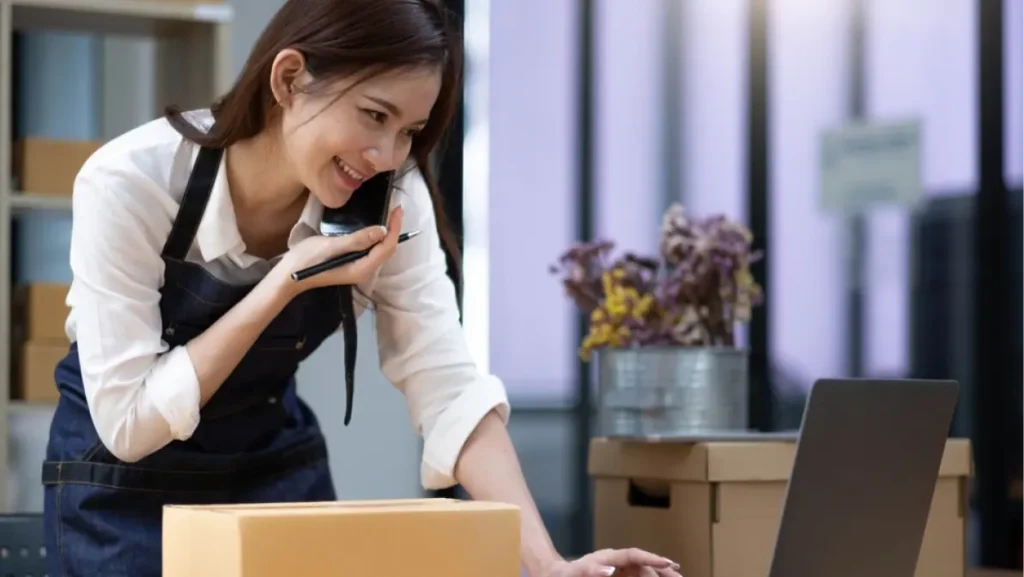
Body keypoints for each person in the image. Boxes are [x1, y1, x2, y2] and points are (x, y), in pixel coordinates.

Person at [39, 1, 681, 576]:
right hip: (119, 491)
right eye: (374, 114)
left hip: (271, 477)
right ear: (289, 78)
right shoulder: (132, 182)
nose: (385, 155)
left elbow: (446, 384)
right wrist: (282, 286)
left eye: (408, 131)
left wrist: (547, 566)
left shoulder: (390, 206)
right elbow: (128, 424)